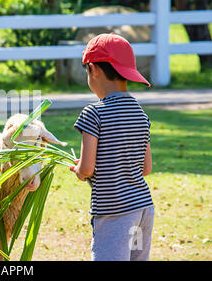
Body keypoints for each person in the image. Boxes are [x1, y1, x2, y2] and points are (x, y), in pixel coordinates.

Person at [69, 33, 154, 261]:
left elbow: (87, 169)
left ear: (93, 70)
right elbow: (146, 168)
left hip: (114, 212)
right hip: (143, 209)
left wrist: (79, 171)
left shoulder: (93, 113)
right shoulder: (140, 113)